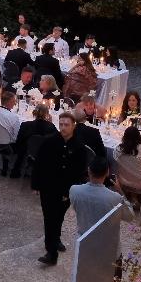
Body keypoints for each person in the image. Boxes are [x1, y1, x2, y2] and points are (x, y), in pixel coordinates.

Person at [69, 155, 134, 282]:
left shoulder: (75, 190)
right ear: (107, 173)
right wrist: (120, 190)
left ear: (89, 171)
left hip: (86, 246)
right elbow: (130, 216)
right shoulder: (114, 198)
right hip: (109, 249)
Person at [36, 111, 90, 265]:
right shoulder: (49, 142)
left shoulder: (79, 147)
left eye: (66, 125)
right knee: (49, 218)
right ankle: (51, 252)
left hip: (66, 190)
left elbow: (80, 172)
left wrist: (69, 192)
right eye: (61, 124)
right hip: (48, 187)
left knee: (58, 216)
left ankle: (55, 240)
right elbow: (39, 163)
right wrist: (36, 184)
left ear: (74, 126)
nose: (63, 128)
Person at [113, 125, 141, 205]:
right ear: (138, 136)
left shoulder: (119, 149)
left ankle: (132, 196)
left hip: (124, 178)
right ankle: (140, 198)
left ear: (124, 137)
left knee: (133, 170)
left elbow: (115, 157)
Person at [0, 90, 22, 176]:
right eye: (14, 101)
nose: (15, 104)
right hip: (7, 146)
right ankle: (16, 170)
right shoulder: (14, 117)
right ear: (9, 102)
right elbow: (16, 137)